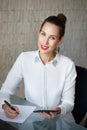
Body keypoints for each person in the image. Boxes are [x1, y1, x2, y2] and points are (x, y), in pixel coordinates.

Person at [0, 13, 77, 120]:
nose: (45, 42)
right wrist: (5, 106)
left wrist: (57, 110)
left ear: (60, 40)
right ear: (39, 33)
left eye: (52, 38)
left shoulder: (68, 66)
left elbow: (69, 103)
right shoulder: (24, 58)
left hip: (59, 121)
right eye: (43, 34)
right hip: (31, 119)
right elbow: (5, 91)